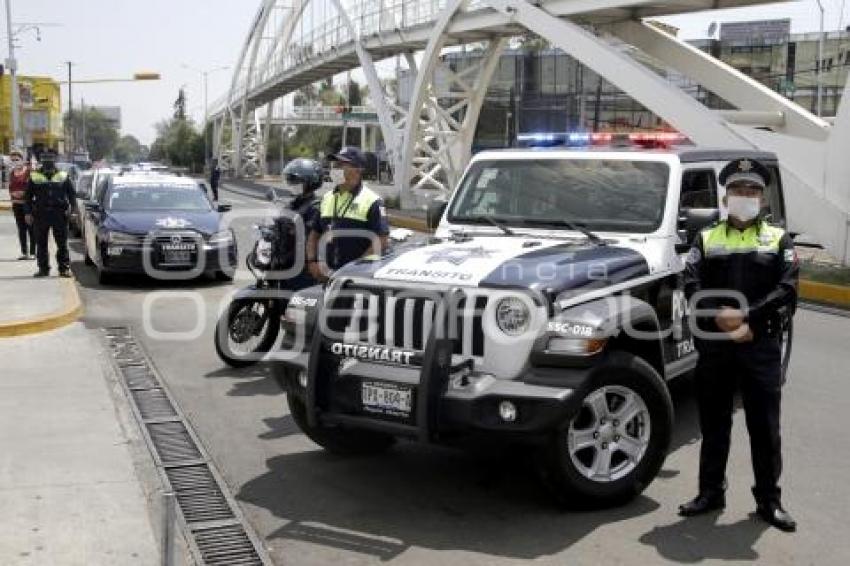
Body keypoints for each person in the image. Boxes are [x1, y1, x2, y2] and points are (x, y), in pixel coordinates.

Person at [680, 158, 799, 532]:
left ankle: (769, 500)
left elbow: (788, 290)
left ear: (762, 198)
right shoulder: (707, 238)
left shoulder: (779, 239)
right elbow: (691, 285)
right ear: (726, 195)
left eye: (752, 191)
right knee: (713, 424)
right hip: (716, 346)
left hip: (759, 344)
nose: (744, 196)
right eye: (737, 190)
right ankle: (710, 491)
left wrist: (747, 317)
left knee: (764, 427)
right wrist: (721, 317)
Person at [306, 147, 389, 281]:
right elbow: (314, 235)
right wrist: (312, 261)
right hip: (326, 278)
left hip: (355, 281)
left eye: (340, 165)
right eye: (334, 165)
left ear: (358, 169)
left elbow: (381, 242)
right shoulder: (327, 198)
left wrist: (354, 270)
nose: (335, 169)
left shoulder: (373, 201)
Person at [24, 151, 77, 278]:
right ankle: (43, 269)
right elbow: (28, 197)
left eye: (50, 159)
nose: (48, 161)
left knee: (62, 243)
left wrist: (73, 210)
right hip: (40, 215)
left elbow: (72, 195)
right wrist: (27, 213)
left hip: (59, 214)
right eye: (45, 159)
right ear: (41, 161)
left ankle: (64, 269)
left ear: (55, 160)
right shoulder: (34, 176)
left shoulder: (63, 176)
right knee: (41, 243)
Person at [278, 158, 323, 289]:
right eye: (290, 180)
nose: (291, 183)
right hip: (285, 261)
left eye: (295, 180)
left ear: (310, 182)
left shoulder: (315, 207)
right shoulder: (294, 203)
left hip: (301, 267)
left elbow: (310, 237)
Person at [8, 149, 35, 260]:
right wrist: (13, 194)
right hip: (16, 204)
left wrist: (23, 193)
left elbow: (32, 187)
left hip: (27, 205)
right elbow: (10, 187)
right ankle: (24, 252)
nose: (15, 161)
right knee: (21, 229)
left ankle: (33, 253)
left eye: (17, 159)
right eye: (13, 160)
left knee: (31, 228)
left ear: (22, 159)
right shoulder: (12, 173)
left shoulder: (28, 171)